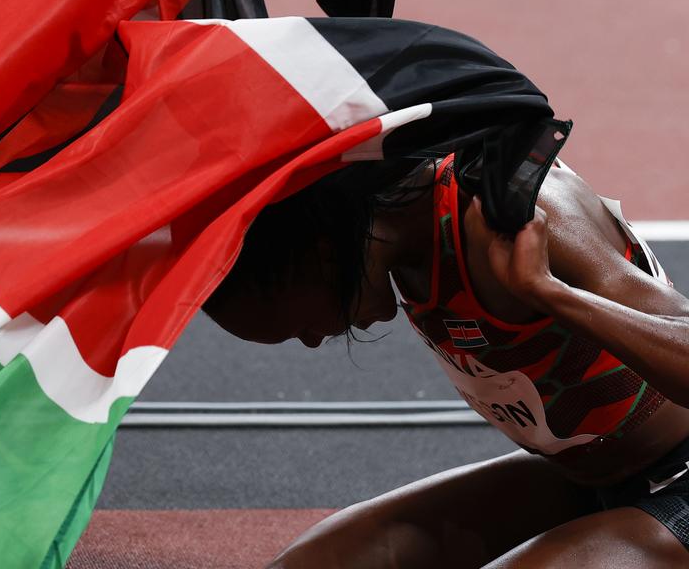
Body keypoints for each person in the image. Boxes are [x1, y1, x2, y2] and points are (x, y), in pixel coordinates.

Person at [203, 153, 689, 568]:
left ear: (320, 258)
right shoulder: (399, 235)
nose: (312, 342)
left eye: (301, 328)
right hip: (585, 478)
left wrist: (550, 293)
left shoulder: (515, 214)